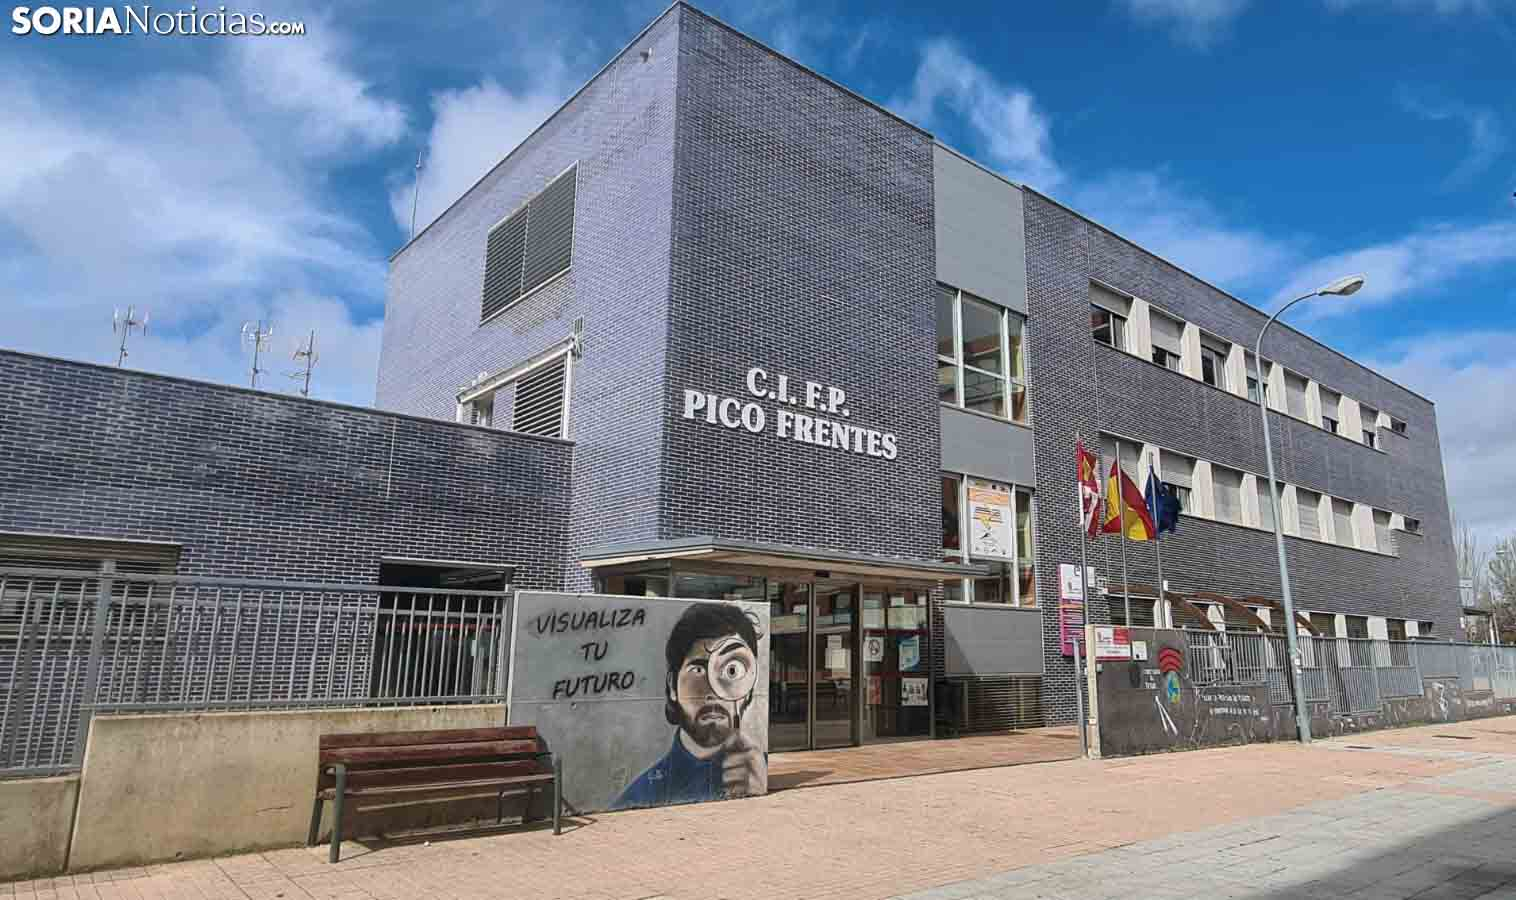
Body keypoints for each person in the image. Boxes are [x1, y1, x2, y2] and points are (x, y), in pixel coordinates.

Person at [615, 602, 766, 808]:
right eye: (699, 670)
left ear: (749, 686)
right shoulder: (639, 797)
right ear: (672, 686)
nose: (714, 692)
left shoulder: (759, 769)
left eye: (732, 670)